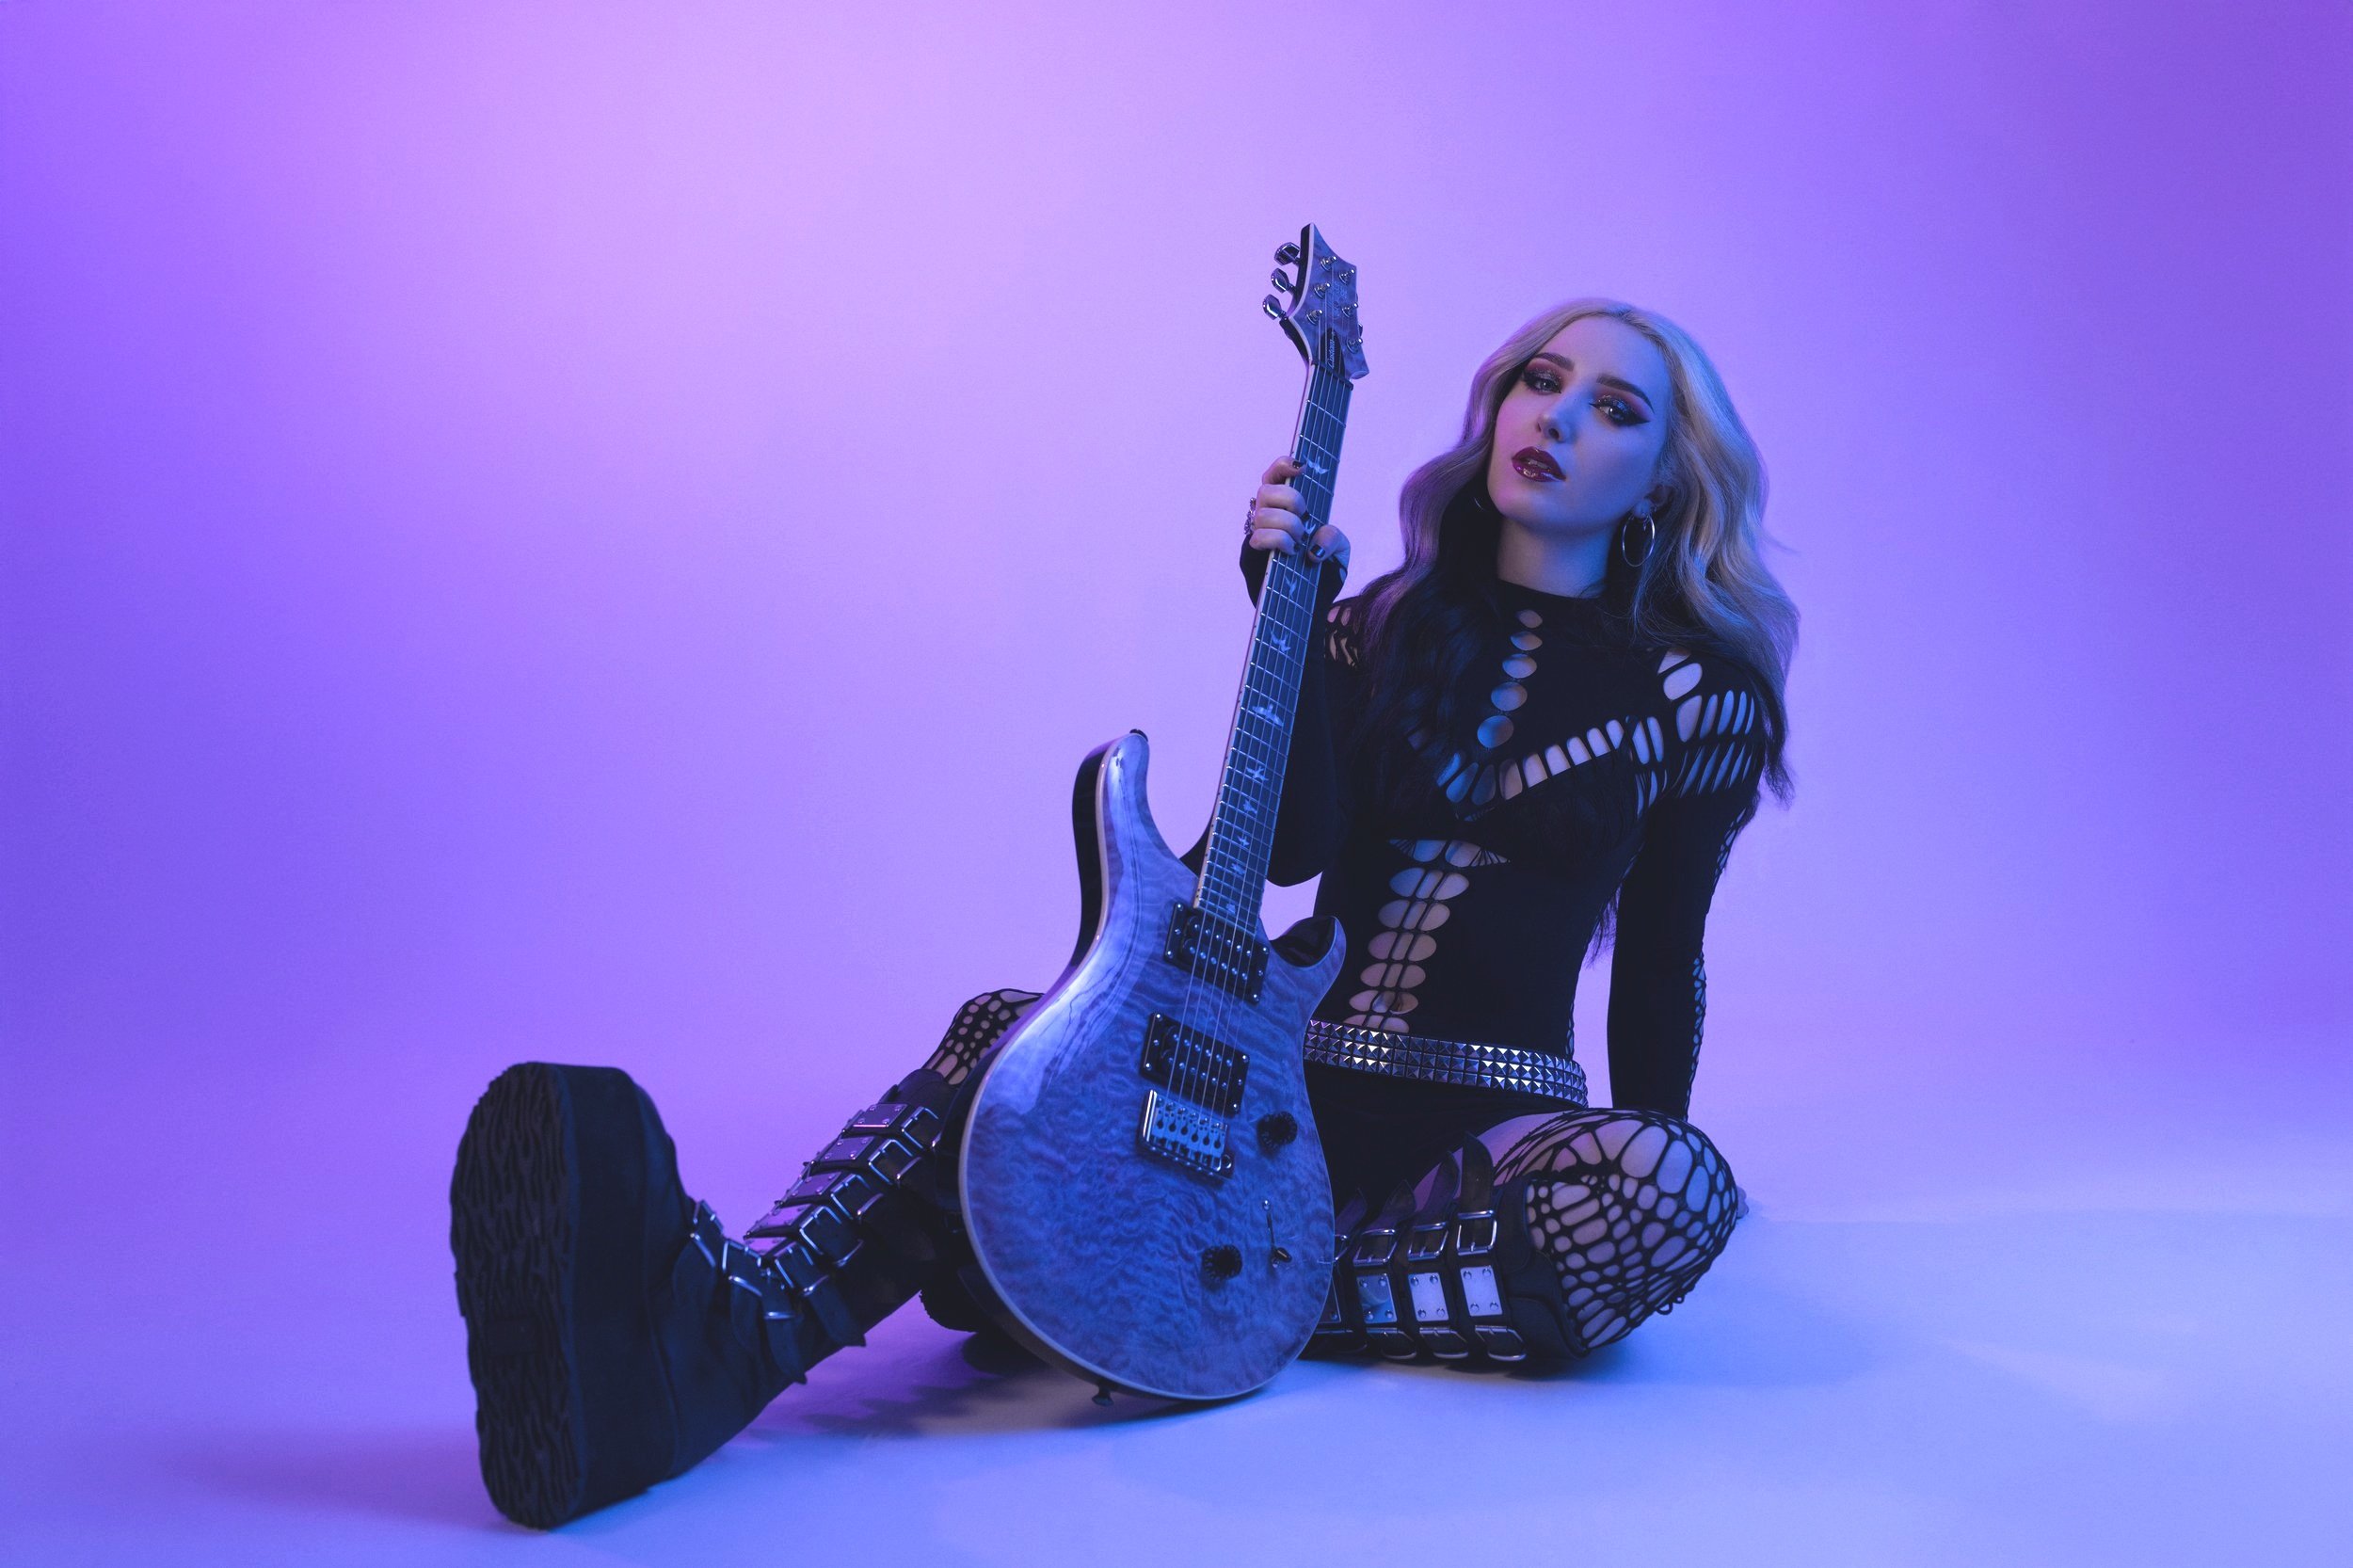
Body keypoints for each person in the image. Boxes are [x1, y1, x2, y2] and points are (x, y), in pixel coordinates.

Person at [448, 297, 1797, 1528]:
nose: (1556, 419)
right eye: (1539, 382)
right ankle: (714, 1334)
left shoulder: (1702, 697)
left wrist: (1657, 1136)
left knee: (1667, 1188)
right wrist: (1287, 614)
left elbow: (1660, 958)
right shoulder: (1378, 625)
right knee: (1005, 1034)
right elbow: (1282, 852)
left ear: (1665, 482)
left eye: (1614, 408)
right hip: (1287, 1097)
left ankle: (1109, 1270)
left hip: (1480, 1138)